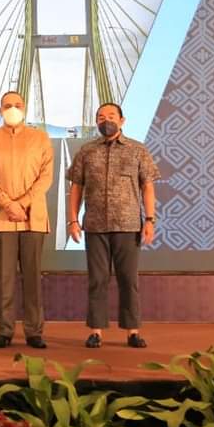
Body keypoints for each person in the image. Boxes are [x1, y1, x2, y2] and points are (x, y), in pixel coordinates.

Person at [66, 102, 159, 349]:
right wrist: (72, 220)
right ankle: (96, 331)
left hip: (128, 225)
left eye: (110, 116)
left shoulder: (138, 150)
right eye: (100, 117)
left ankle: (132, 332)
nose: (105, 120)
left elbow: (147, 187)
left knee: (128, 280)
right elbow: (76, 187)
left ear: (122, 120)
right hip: (95, 226)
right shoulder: (86, 151)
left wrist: (150, 220)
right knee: (97, 280)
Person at [0, 91, 53, 349]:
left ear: (25, 108)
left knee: (33, 277)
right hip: (2, 217)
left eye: (17, 104)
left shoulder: (40, 138)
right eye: (7, 105)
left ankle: (34, 331)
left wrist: (22, 203)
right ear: (0, 110)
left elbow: (45, 177)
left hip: (33, 217)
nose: (13, 108)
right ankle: (5, 331)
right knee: (5, 278)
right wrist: (8, 203)